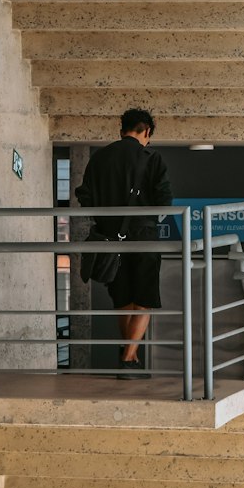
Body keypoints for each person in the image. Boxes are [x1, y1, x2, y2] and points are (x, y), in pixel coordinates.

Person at [74, 108, 173, 376]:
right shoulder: (152, 158)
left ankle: (129, 353)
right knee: (145, 299)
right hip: (143, 237)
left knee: (123, 297)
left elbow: (84, 195)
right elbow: (164, 201)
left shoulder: (100, 158)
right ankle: (129, 358)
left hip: (109, 237)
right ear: (147, 132)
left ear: (122, 130)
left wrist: (106, 218)